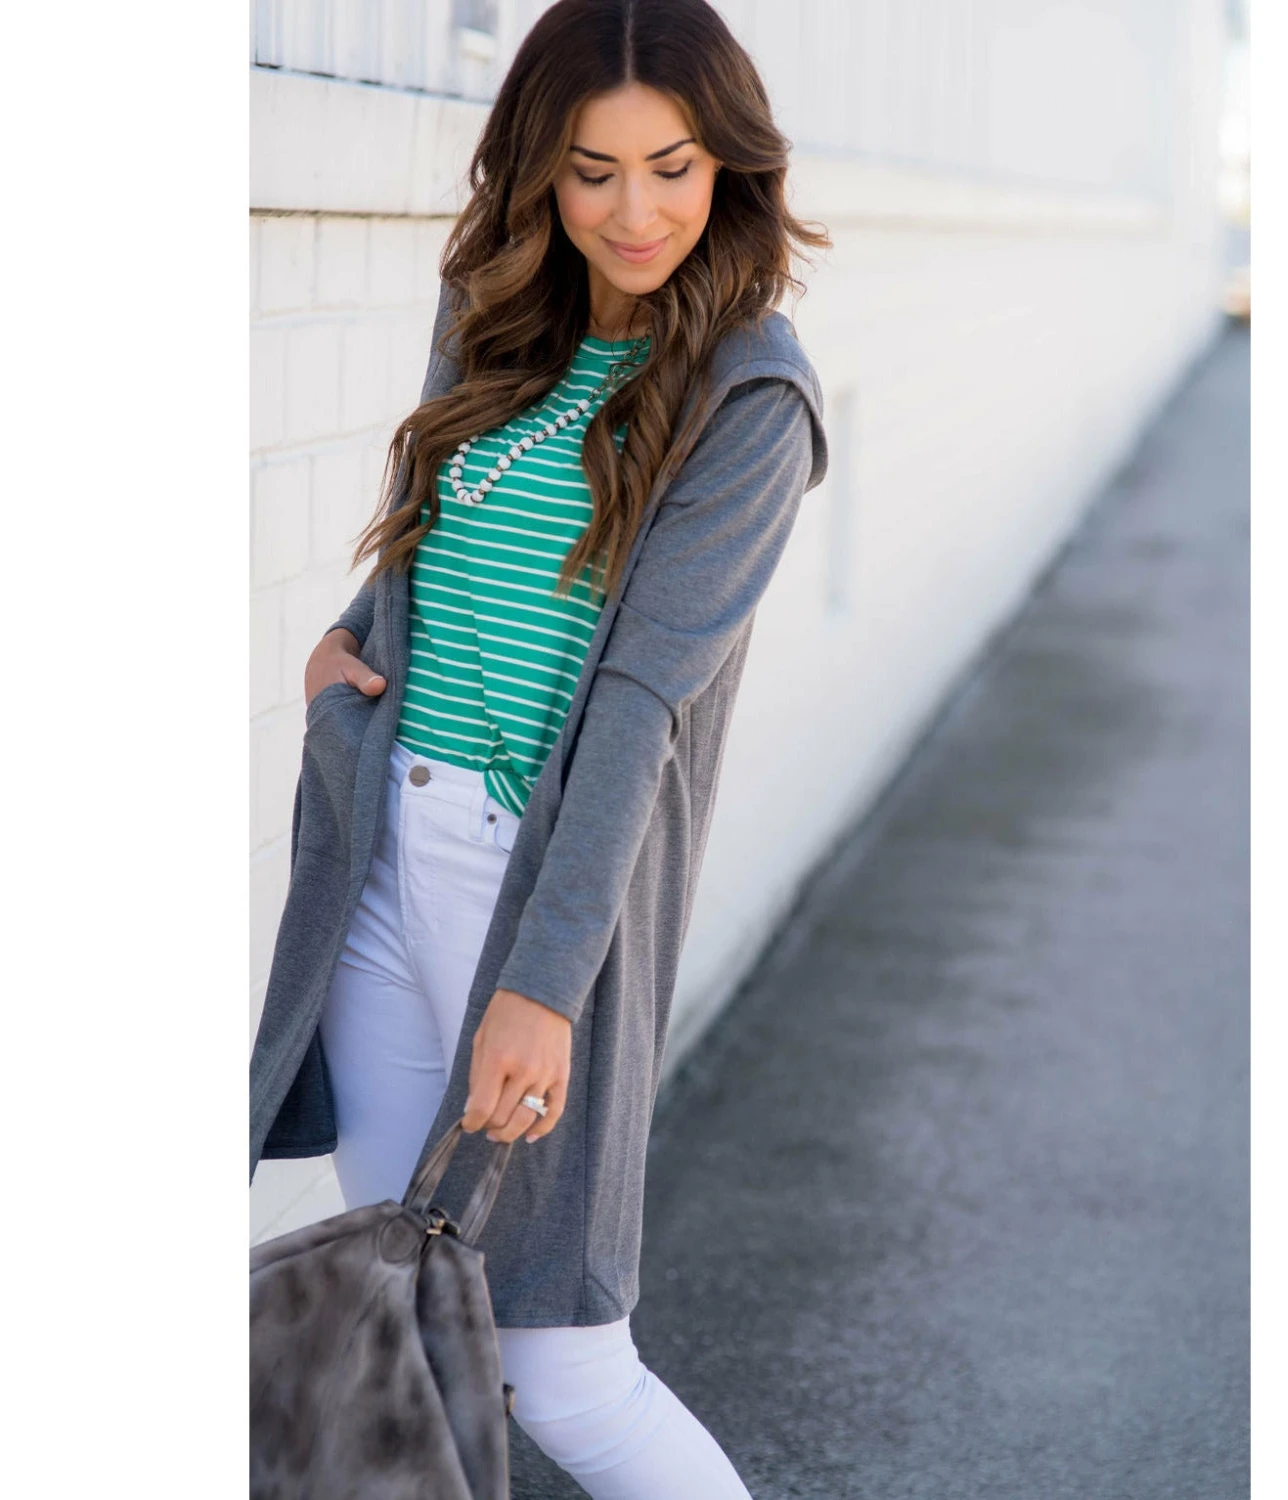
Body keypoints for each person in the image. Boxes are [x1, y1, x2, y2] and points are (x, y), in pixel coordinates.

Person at [248, 1, 830, 1494]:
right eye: (592, 170)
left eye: (672, 167)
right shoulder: (495, 309)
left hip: (537, 887)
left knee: (563, 1368)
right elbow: (432, 540)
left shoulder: (749, 396)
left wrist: (543, 986)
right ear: (538, 171)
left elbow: (639, 708)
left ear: (730, 167)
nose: (635, 212)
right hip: (385, 856)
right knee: (410, 1330)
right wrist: (343, 653)